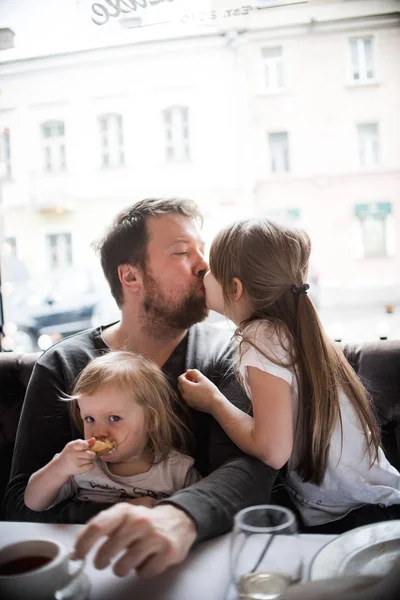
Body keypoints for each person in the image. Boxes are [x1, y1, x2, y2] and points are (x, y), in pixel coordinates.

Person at [5, 198, 276, 578]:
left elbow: (249, 470)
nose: (204, 266)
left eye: (202, 251)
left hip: (200, 566)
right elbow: (20, 503)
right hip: (84, 567)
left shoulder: (225, 354)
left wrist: (179, 517)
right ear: (131, 277)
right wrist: (133, 517)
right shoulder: (63, 365)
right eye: (182, 252)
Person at [178, 218, 400, 534]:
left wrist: (213, 401)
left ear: (236, 288)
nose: (203, 273)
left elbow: (272, 450)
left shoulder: (261, 337)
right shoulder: (290, 329)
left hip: (354, 519)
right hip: (375, 504)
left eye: (212, 269)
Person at [24, 351, 200, 512]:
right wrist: (59, 468)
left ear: (151, 421)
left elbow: (202, 513)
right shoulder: (78, 464)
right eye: (90, 419)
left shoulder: (178, 471)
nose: (99, 432)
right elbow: (33, 503)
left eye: (114, 418)